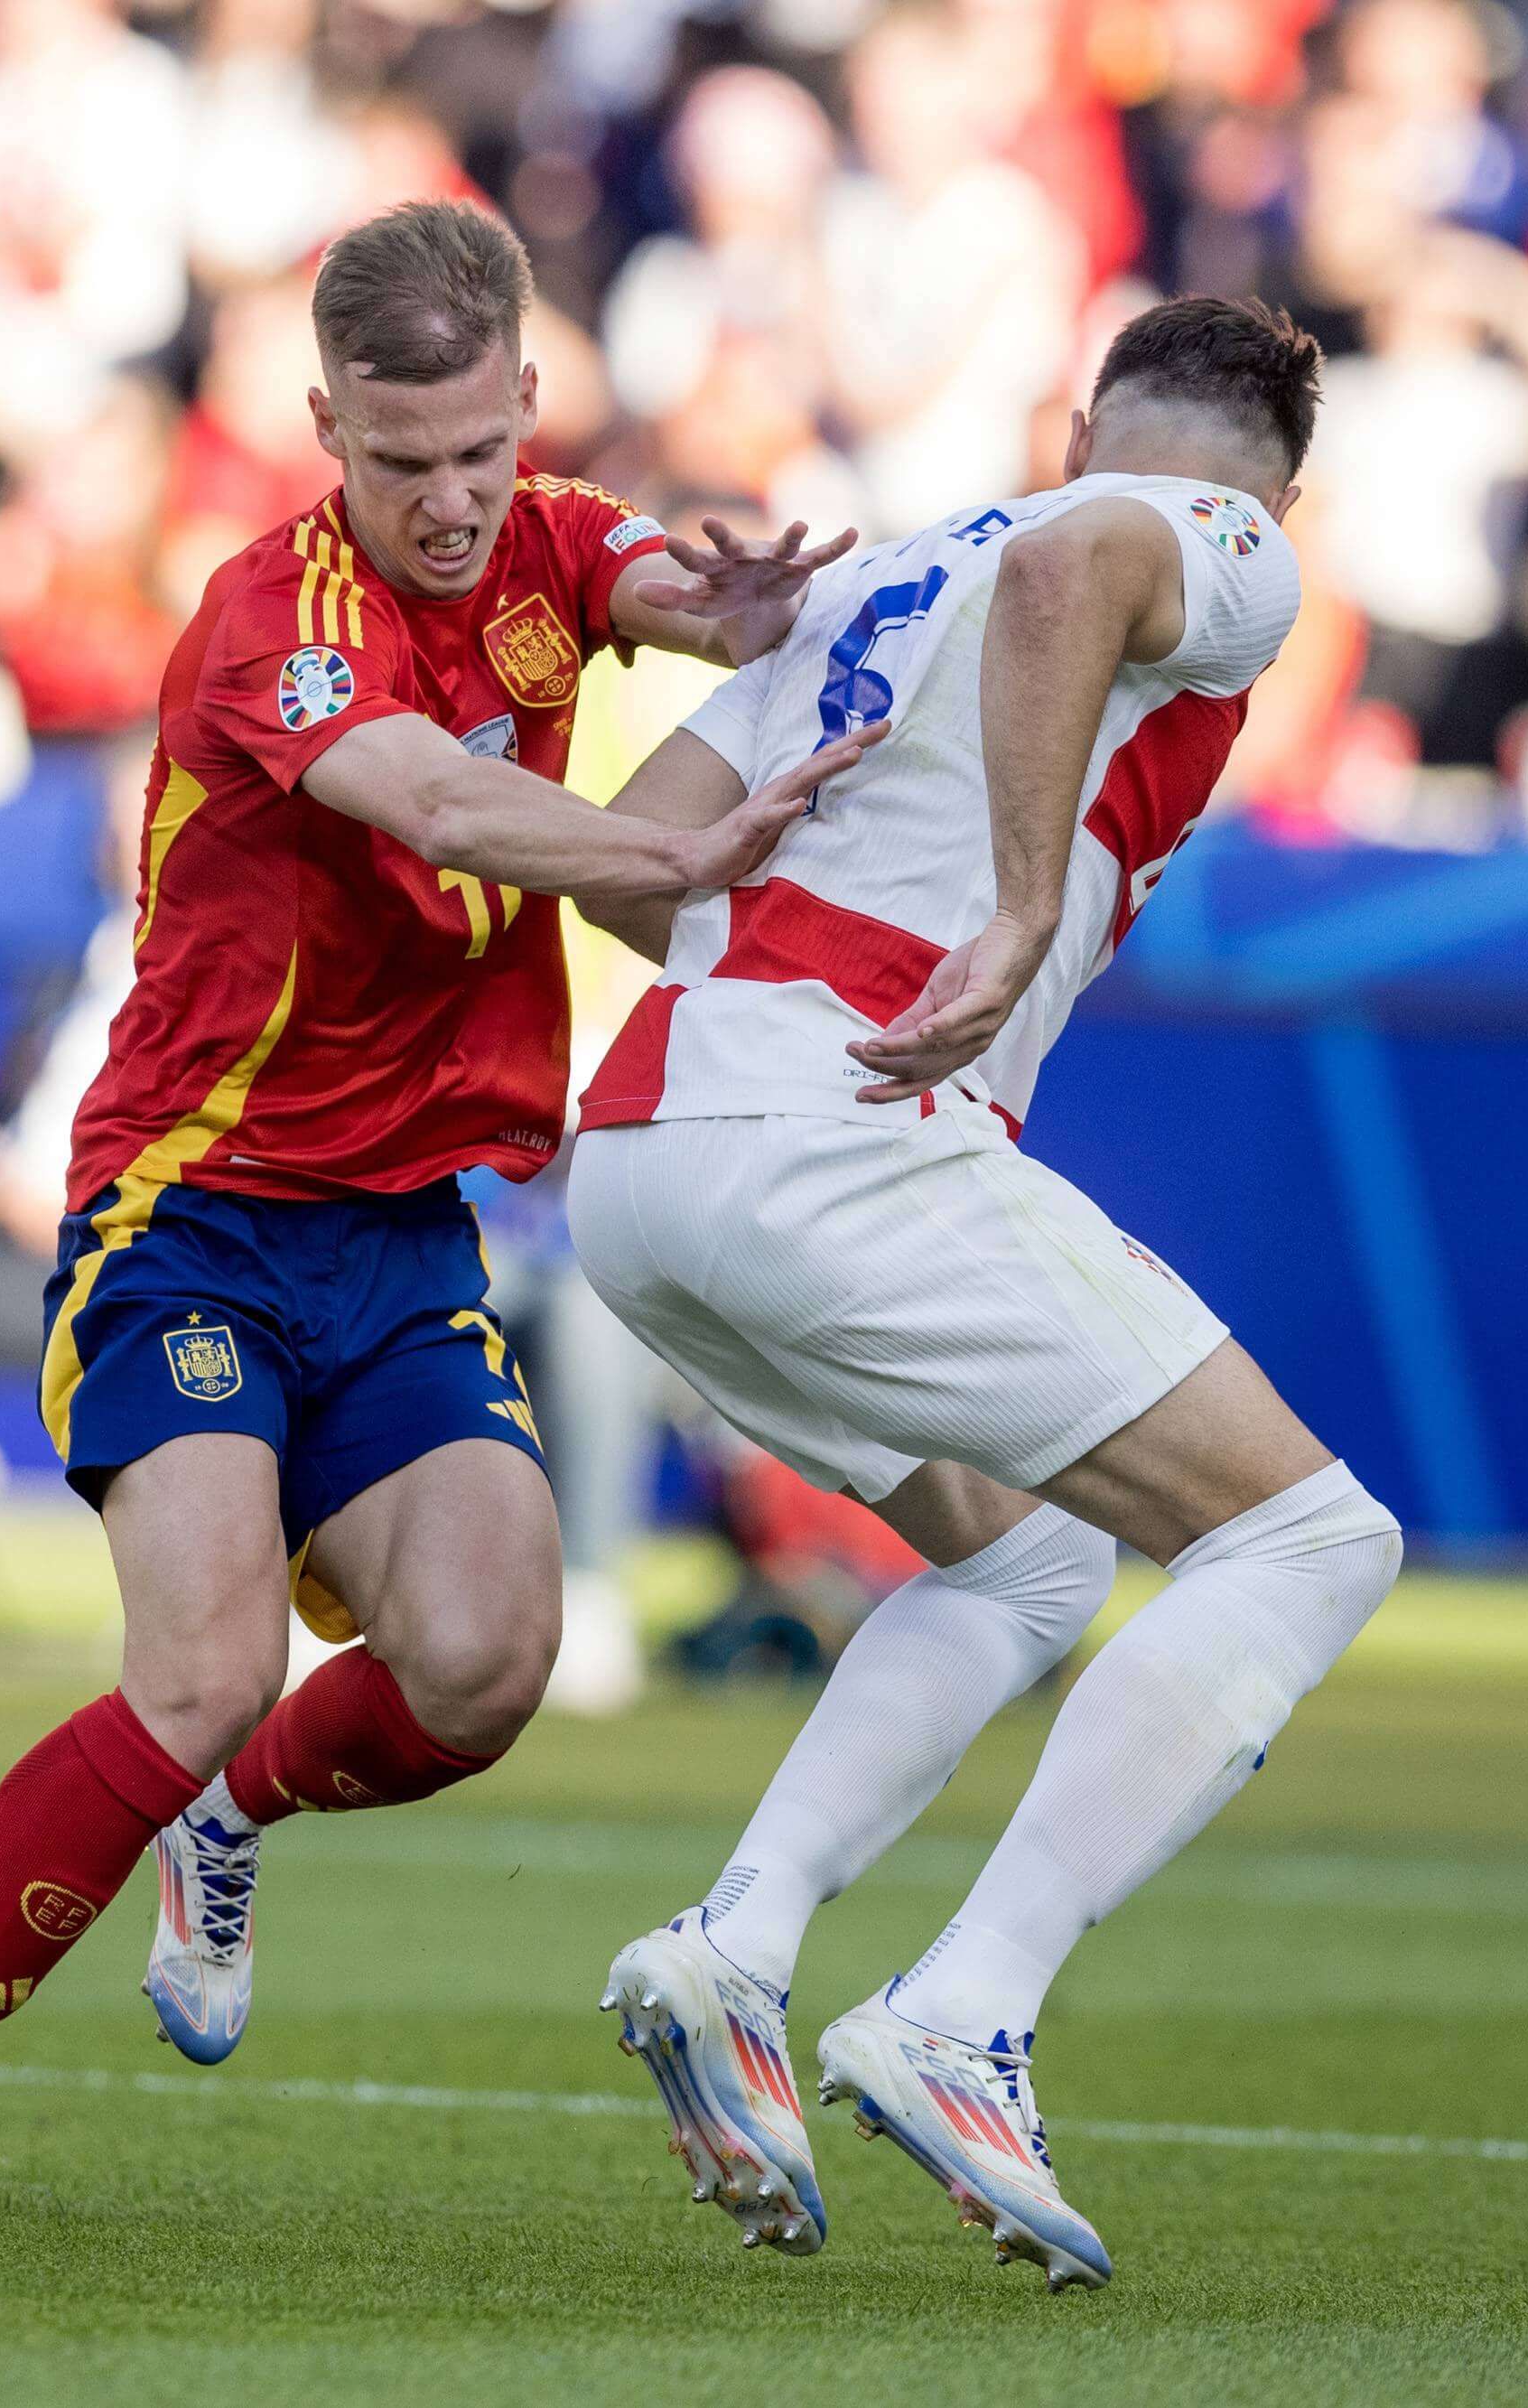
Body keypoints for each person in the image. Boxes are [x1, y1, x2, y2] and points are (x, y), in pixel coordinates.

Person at [0, 198, 881, 2243]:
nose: (452, 503)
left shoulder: (552, 543)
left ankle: (232, 1816)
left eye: (481, 453)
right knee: (198, 1662)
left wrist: (731, 609)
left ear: (526, 403)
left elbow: (646, 576)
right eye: (401, 467)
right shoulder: (268, 625)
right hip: (189, 1217)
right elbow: (453, 806)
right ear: (322, 427)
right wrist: (691, 850)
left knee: (482, 1658)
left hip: (397, 1240)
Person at [565, 297, 1401, 2291]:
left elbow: (621, 863)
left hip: (649, 1150)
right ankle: (967, 2008)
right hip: (843, 1131)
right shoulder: (1200, 543)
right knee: (1304, 1537)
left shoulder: (879, 566)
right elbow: (1075, 560)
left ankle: (740, 1939)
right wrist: (1017, 899)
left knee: (1023, 1562)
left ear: (1070, 410)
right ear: (1285, 493)